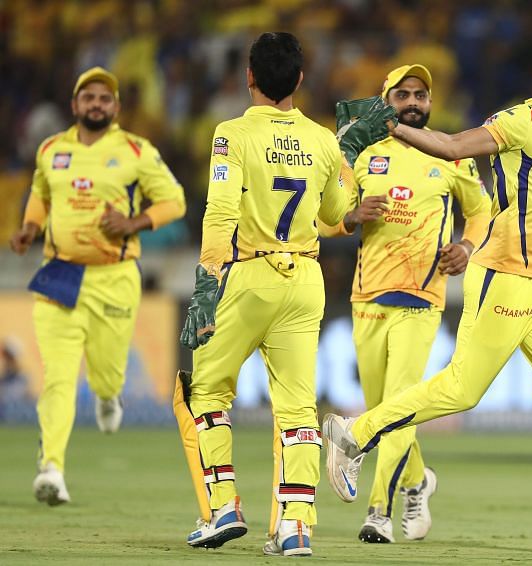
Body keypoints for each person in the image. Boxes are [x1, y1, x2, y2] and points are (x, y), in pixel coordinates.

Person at [323, 35, 532, 551]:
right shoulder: (525, 119)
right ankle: (354, 433)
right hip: (504, 276)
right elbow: (453, 147)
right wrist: (393, 126)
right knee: (461, 390)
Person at [173, 32, 394, 556]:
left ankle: (224, 505)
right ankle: (295, 526)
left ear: (248, 77)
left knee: (206, 392)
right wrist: (348, 154)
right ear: (298, 79)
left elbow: (220, 212)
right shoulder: (321, 140)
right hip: (305, 279)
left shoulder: (230, 134)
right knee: (296, 407)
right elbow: (337, 211)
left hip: (248, 276)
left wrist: (206, 282)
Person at [320, 64, 491, 544]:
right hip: (367, 296)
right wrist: (352, 214)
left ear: (430, 103)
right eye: (402, 95)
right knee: (385, 408)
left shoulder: (450, 153)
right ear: (385, 101)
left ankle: (379, 512)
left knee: (396, 404)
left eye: (420, 94)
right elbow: (327, 216)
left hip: (422, 296)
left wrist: (467, 247)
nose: (413, 101)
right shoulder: (363, 152)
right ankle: (418, 481)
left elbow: (482, 211)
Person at [8, 66, 186, 506]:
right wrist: (30, 226)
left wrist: (134, 221)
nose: (96, 104)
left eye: (105, 98)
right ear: (74, 105)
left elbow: (175, 200)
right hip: (60, 274)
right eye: (88, 97)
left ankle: (109, 396)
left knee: (107, 372)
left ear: (117, 107)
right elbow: (39, 193)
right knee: (58, 378)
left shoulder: (135, 151)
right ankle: (51, 468)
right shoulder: (52, 149)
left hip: (114, 277)